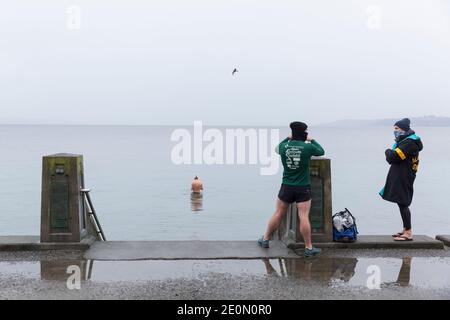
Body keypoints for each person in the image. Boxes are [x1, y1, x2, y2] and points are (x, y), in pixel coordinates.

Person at [258, 121, 325, 257]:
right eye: (306, 131)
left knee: (278, 213)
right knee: (304, 216)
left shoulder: (284, 146)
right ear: (304, 133)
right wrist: (312, 140)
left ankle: (265, 239)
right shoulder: (307, 148)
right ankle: (308, 247)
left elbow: (277, 148)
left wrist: (288, 138)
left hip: (286, 186)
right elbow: (321, 151)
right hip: (303, 187)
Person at [380, 118, 423, 241]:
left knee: (403, 202)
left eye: (397, 129)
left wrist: (387, 151)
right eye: (394, 129)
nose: (395, 131)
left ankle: (408, 232)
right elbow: (393, 158)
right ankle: (405, 229)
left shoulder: (409, 143)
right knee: (401, 202)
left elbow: (393, 157)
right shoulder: (404, 141)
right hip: (401, 174)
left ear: (404, 129)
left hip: (405, 176)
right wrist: (390, 154)